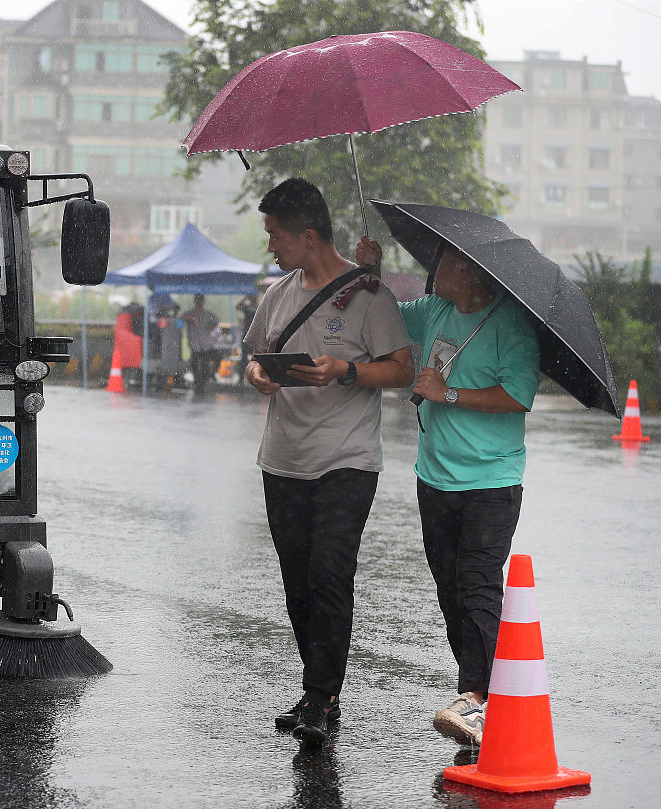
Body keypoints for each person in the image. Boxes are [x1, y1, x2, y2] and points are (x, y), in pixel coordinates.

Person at [243, 179, 414, 745]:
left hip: (347, 459)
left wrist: (345, 371)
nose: (270, 246)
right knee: (298, 585)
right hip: (283, 460)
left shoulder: (370, 297)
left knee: (328, 575)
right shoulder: (277, 294)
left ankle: (321, 698)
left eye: (276, 236)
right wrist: (259, 377)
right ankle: (317, 688)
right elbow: (254, 358)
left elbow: (401, 369)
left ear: (308, 235)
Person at [356, 234, 541, 747]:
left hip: (491, 481)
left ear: (476, 273)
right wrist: (373, 269)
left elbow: (517, 397)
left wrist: (448, 392)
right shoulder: (436, 308)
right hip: (434, 476)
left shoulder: (511, 325)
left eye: (450, 262)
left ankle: (477, 697)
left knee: (477, 582)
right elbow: (387, 311)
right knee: (449, 589)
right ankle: (480, 693)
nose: (437, 267)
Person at [182, 293, 221, 395]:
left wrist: (211, 327)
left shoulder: (208, 314)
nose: (198, 303)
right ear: (195, 302)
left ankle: (203, 384)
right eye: (197, 301)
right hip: (194, 343)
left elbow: (216, 320)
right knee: (194, 363)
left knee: (205, 365)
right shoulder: (190, 313)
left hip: (205, 343)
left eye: (200, 301)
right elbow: (181, 318)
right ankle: (197, 382)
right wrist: (192, 319)